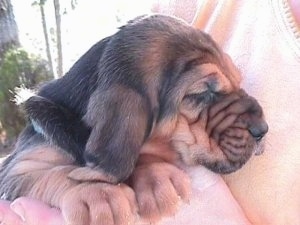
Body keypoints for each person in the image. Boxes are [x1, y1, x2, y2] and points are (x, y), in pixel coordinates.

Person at [0, 0, 299, 224]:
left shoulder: (125, 135)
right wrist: (69, 189)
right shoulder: (56, 133)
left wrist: (145, 166)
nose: (256, 125)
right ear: (127, 120)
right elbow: (13, 183)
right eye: (203, 93)